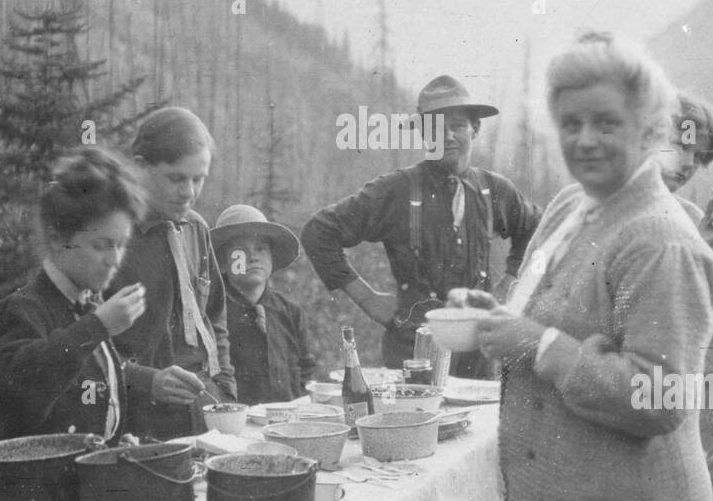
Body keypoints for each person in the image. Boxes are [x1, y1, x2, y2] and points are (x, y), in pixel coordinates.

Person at [466, 31, 713, 501]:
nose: (585, 140)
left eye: (607, 123)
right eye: (571, 122)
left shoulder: (661, 241)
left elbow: (660, 399)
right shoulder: (567, 207)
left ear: (651, 129)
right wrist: (499, 317)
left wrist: (537, 345)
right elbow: (543, 313)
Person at [301, 75, 541, 379]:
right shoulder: (397, 190)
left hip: (478, 352)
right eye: (436, 128)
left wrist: (510, 282)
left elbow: (539, 230)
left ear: (475, 129)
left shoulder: (494, 190)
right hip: (412, 350)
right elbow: (319, 231)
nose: (448, 136)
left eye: (457, 125)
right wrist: (367, 298)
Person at [0, 147, 150, 442]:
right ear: (58, 239)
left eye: (121, 245)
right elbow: (18, 400)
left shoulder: (86, 307)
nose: (114, 260)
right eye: (101, 245)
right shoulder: (21, 310)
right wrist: (97, 327)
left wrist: (111, 442)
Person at [107, 107, 235, 440]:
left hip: (205, 412)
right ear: (139, 167)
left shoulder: (196, 229)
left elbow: (215, 316)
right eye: (176, 178)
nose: (189, 192)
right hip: (137, 421)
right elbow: (80, 342)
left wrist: (226, 389)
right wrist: (146, 380)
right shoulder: (108, 238)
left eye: (199, 178)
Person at [211, 204, 318, 405]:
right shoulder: (214, 311)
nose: (253, 257)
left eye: (261, 248)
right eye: (240, 251)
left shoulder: (290, 311)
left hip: (288, 420)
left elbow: (306, 370)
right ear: (223, 263)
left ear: (271, 257)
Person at [659, 92, 713, 248]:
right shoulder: (602, 203)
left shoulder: (693, 219)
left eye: (698, 156)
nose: (688, 163)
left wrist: (700, 246)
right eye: (681, 147)